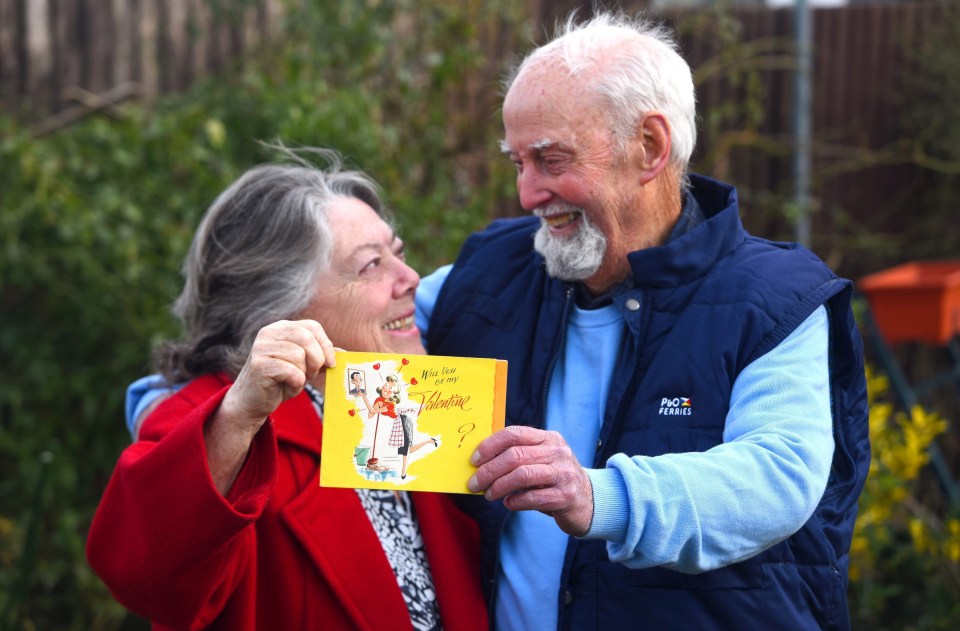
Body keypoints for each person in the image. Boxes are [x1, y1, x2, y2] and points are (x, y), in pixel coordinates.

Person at [416, 11, 870, 631]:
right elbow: (364, 323)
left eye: (550, 159)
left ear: (649, 146)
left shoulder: (774, 298)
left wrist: (598, 496)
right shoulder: (485, 273)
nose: (526, 194)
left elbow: (777, 476)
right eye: (517, 162)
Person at [86, 147, 487, 631]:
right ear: (285, 304)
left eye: (397, 255)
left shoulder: (410, 395)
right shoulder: (213, 422)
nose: (410, 279)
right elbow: (141, 576)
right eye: (371, 266)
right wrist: (234, 421)